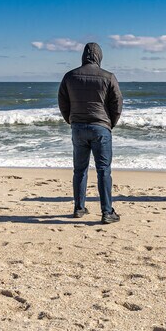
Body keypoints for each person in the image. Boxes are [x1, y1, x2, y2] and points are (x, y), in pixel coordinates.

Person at [58, 42, 123, 224]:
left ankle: (79, 208)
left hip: (78, 127)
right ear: (99, 56)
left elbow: (62, 102)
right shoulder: (108, 77)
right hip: (100, 127)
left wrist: (71, 120)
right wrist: (110, 123)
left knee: (79, 169)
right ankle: (107, 212)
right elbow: (117, 104)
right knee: (103, 170)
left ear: (83, 56)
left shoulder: (70, 76)